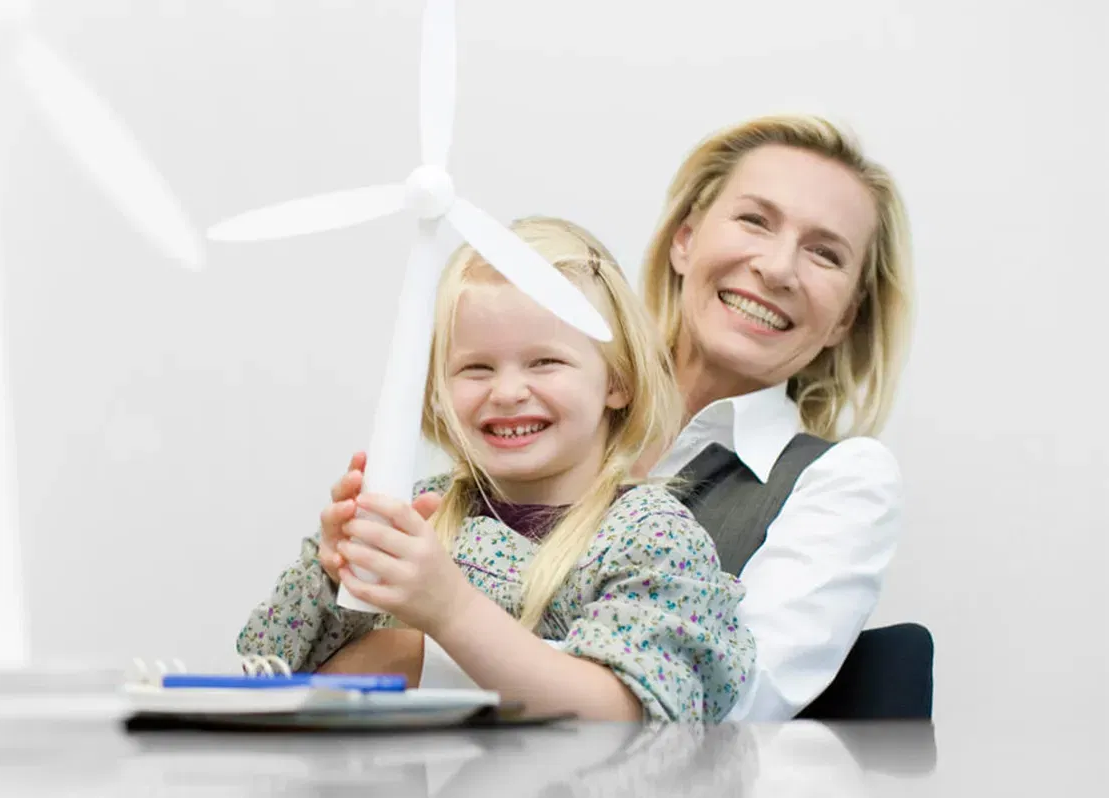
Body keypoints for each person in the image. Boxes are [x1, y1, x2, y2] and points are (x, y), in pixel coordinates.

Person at [320, 114, 914, 722]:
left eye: (824, 254)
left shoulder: (843, 480)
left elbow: (727, 704)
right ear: (685, 240)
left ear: (847, 317)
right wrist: (346, 585)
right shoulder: (534, 418)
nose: (779, 268)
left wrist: (419, 655)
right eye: (755, 220)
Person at [236, 217, 755, 722]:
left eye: (545, 362)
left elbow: (630, 715)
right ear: (438, 389)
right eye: (476, 368)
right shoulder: (415, 517)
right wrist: (331, 578)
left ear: (617, 381)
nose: (506, 392)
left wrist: (451, 611)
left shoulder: (652, 537)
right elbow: (261, 672)